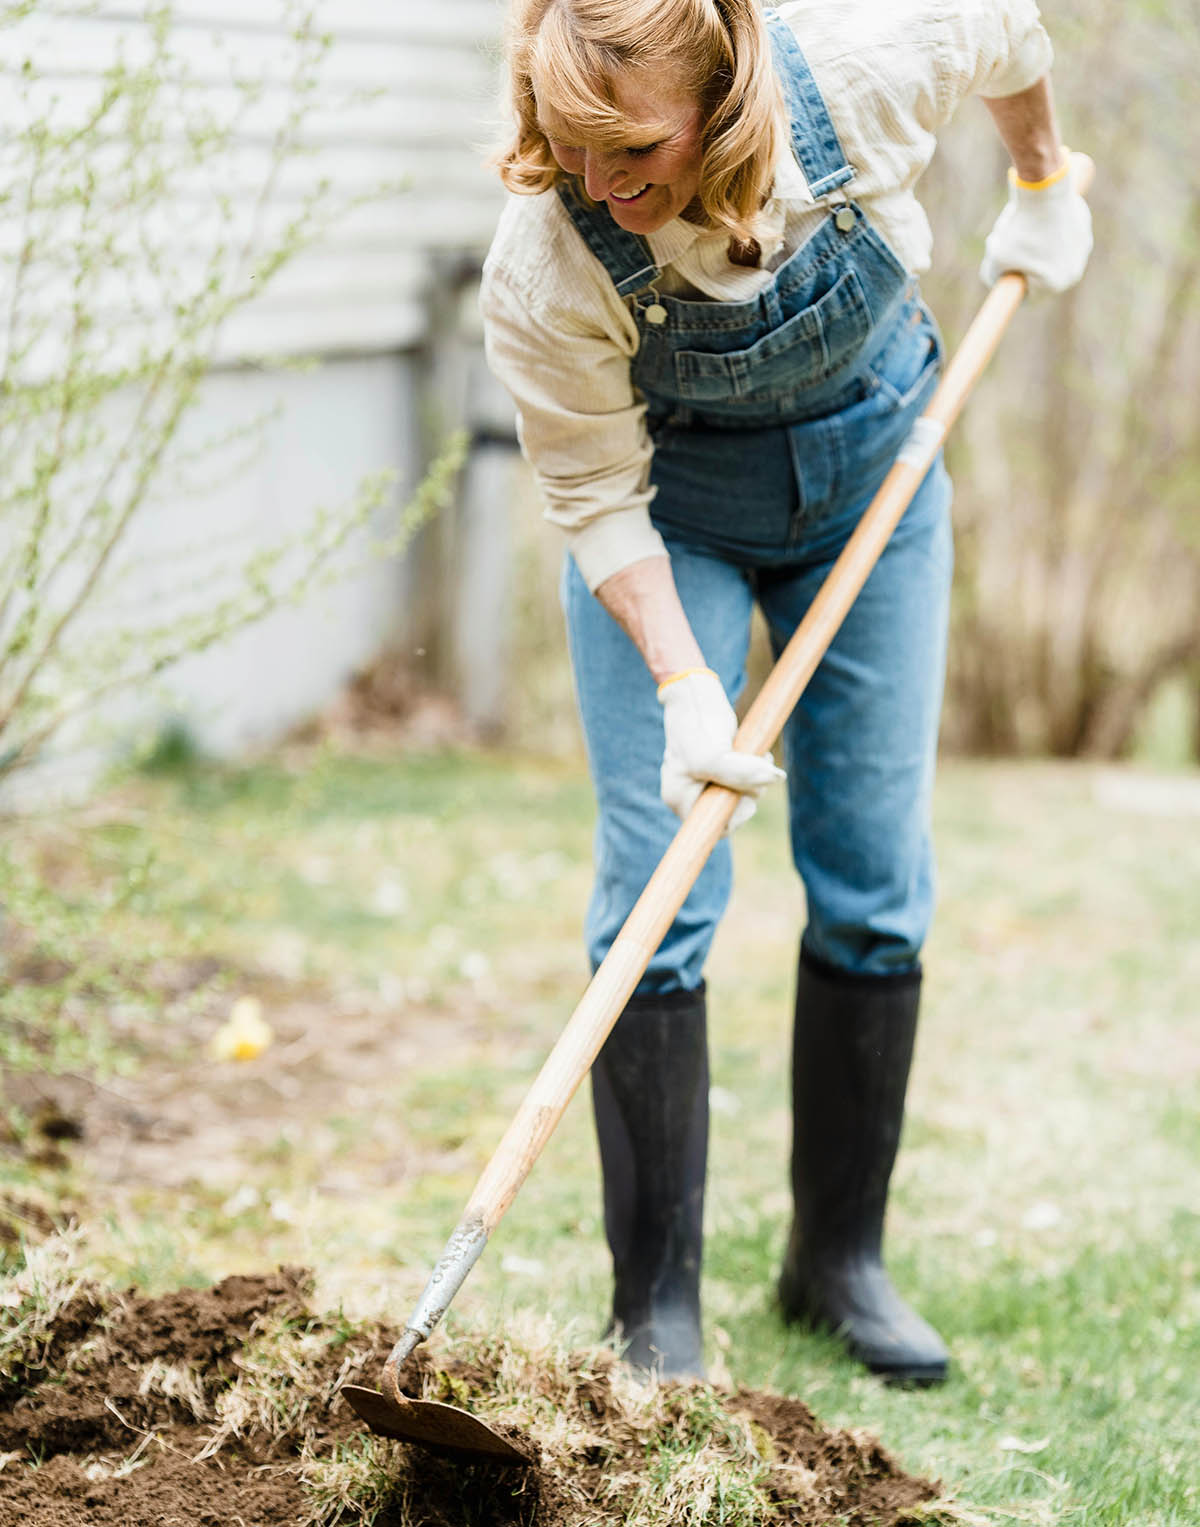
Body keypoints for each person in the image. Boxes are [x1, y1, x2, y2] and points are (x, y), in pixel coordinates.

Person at [480, 0, 1092, 1386]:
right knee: (659, 889)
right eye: (569, 146)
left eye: (630, 146)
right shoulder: (546, 260)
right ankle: (654, 1309)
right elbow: (589, 491)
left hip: (876, 466)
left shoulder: (869, 68)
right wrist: (689, 686)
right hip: (666, 512)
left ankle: (839, 1264)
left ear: (722, 91)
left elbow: (1014, 37)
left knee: (876, 874)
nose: (598, 184)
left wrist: (1044, 184)